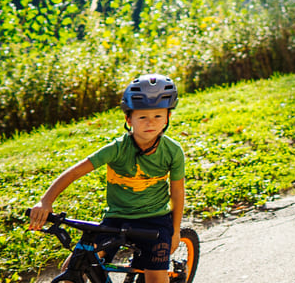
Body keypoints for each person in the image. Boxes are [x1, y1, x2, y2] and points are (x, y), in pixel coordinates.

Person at [29, 74, 186, 283]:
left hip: (155, 221)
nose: (151, 123)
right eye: (142, 117)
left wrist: (175, 232)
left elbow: (177, 192)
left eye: (158, 116)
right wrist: (45, 201)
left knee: (156, 277)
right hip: (117, 218)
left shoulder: (173, 151)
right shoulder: (117, 149)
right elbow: (75, 172)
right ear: (129, 119)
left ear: (167, 118)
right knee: (74, 266)